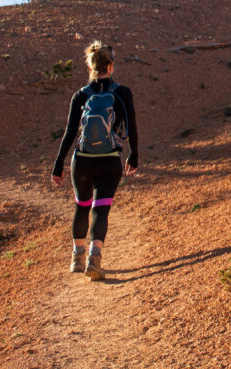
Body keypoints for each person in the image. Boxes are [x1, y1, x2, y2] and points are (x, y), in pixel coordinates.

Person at [51, 40, 139, 281]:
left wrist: (58, 166)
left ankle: (76, 258)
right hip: (110, 160)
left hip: (82, 160)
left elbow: (70, 133)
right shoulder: (122, 93)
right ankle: (94, 259)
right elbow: (130, 126)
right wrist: (134, 155)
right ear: (110, 66)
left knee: (81, 206)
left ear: (90, 67)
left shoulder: (80, 95)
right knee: (100, 209)